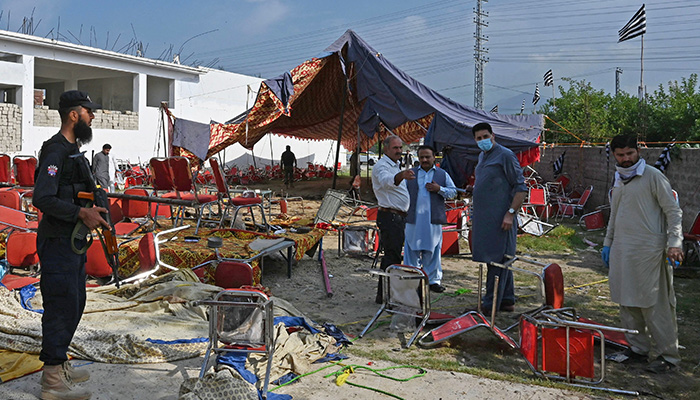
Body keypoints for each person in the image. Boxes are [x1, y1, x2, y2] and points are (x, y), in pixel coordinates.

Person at [33, 90, 110, 400]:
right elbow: (42, 198)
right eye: (88, 111)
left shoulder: (73, 149)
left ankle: (60, 362)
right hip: (57, 243)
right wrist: (81, 212)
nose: (92, 116)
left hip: (73, 243)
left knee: (75, 303)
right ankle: (51, 380)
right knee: (60, 307)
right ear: (73, 115)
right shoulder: (55, 152)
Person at [602, 134, 683, 374]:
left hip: (650, 252)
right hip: (621, 251)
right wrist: (607, 243)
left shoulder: (653, 177)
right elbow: (614, 215)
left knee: (654, 306)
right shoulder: (619, 179)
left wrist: (675, 243)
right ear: (614, 155)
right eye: (620, 155)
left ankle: (669, 357)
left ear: (638, 152)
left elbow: (674, 212)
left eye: (630, 154)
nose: (626, 159)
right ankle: (637, 350)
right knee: (626, 302)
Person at [470, 122, 527, 312]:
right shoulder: (482, 156)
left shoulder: (505, 155)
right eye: (478, 138)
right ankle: (507, 300)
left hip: (501, 220)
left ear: (493, 136)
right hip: (485, 221)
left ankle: (489, 305)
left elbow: (520, 188)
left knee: (498, 260)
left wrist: (510, 214)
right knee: (497, 259)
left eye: (485, 137)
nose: (483, 141)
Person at [404, 145, 457, 293]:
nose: (424, 160)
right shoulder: (410, 174)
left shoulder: (442, 174)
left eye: (427, 157)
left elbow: (453, 193)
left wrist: (439, 189)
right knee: (411, 248)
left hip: (432, 219)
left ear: (434, 157)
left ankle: (433, 280)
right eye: (421, 157)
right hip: (413, 218)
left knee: (433, 250)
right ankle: (411, 278)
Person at [371, 135, 415, 303]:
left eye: (400, 148)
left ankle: (387, 294)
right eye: (395, 148)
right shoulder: (382, 166)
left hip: (398, 217)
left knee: (393, 256)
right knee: (392, 257)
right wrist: (401, 176)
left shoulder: (395, 165)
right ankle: (386, 295)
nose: (399, 151)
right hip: (390, 217)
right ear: (386, 149)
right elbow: (386, 181)